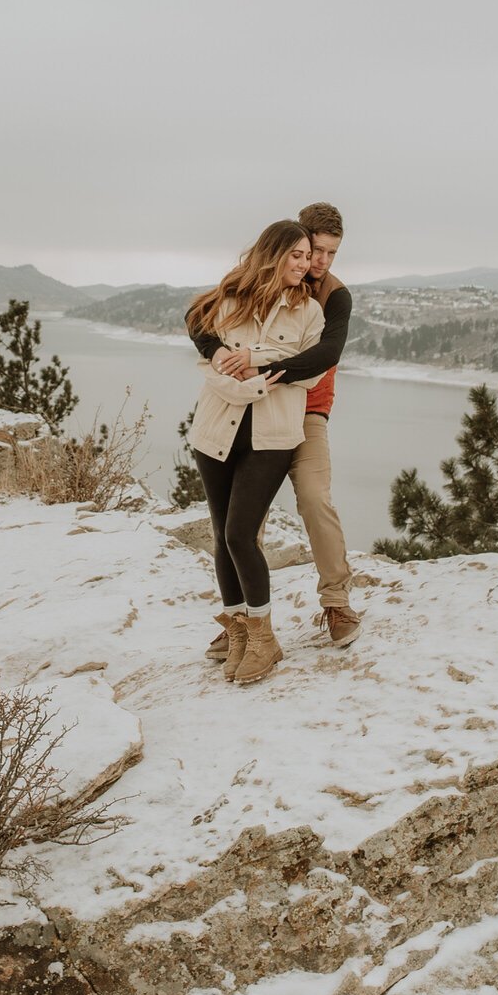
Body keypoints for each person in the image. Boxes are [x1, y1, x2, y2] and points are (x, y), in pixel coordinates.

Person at [191, 201, 361, 651]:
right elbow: (199, 319)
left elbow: (326, 357)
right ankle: (243, 619)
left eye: (329, 254)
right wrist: (217, 356)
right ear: (293, 243)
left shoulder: (334, 296)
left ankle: (336, 602)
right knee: (242, 524)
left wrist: (258, 361)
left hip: (307, 410)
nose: (318, 262)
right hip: (250, 409)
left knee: (313, 497)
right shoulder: (255, 280)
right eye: (312, 250)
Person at [184, 220, 325, 686]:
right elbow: (211, 366)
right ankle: (238, 630)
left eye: (309, 257)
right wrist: (245, 382)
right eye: (297, 255)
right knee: (224, 534)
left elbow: (307, 374)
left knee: (243, 532)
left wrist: (254, 364)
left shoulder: (309, 313)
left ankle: (265, 636)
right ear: (273, 253)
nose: (305, 265)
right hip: (216, 434)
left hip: (272, 439)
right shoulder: (229, 301)